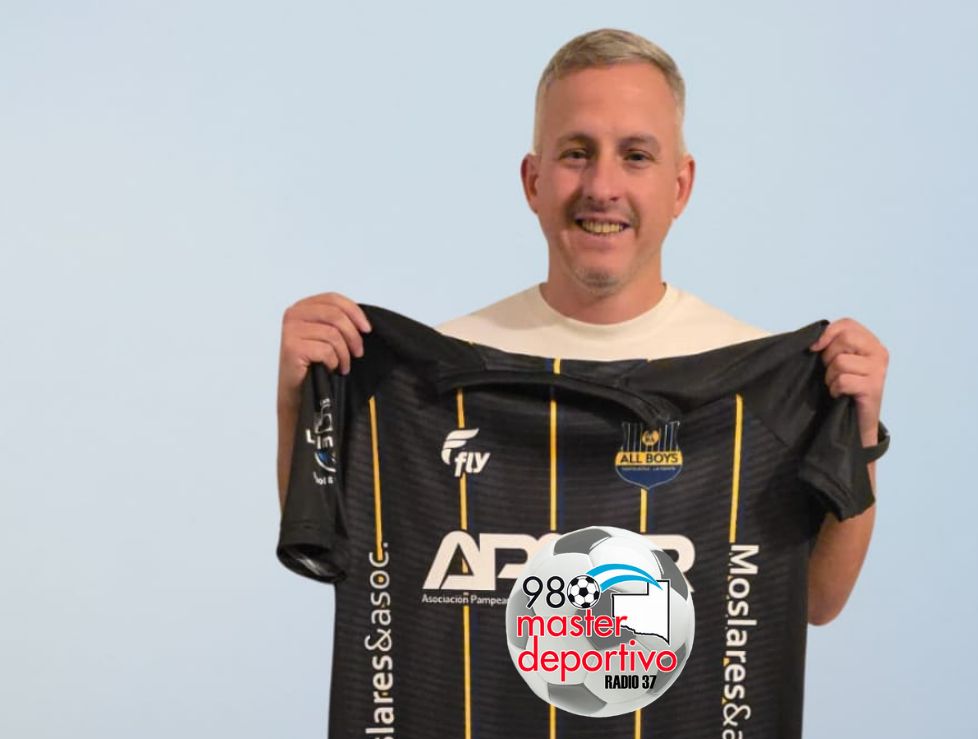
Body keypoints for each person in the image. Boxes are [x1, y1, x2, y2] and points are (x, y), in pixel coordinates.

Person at [275, 28, 888, 625]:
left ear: (680, 187)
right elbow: (343, 546)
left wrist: (858, 432)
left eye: (636, 156)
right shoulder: (438, 375)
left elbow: (815, 601)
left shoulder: (755, 381)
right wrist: (296, 404)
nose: (602, 187)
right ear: (533, 181)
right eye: (576, 153)